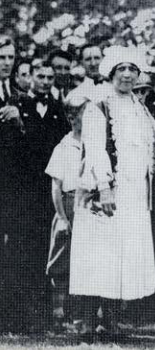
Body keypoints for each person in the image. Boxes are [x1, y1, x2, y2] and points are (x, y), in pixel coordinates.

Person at [70, 46, 155, 338]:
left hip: (133, 196)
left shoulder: (140, 107)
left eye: (132, 69)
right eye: (120, 69)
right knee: (96, 255)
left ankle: (109, 322)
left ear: (138, 74)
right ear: (111, 73)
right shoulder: (99, 105)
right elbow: (95, 148)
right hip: (104, 192)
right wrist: (105, 187)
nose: (126, 74)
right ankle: (86, 322)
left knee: (120, 256)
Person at [17, 61, 71, 311]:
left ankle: (53, 308)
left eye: (50, 77)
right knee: (26, 246)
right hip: (23, 189)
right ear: (30, 78)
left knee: (51, 246)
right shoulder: (17, 106)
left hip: (50, 189)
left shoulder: (59, 109)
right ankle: (27, 307)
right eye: (41, 76)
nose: (46, 81)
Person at [45, 95, 88, 332]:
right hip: (68, 206)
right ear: (71, 118)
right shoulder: (63, 147)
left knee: (84, 261)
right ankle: (57, 313)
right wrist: (61, 217)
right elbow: (56, 186)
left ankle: (80, 315)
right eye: (83, 114)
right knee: (61, 262)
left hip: (88, 206)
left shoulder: (95, 144)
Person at [0, 35, 28, 331]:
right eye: (2, 58)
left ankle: (10, 316)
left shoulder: (19, 94)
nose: (6, 63)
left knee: (14, 251)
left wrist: (20, 121)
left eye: (10, 57)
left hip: (14, 187)